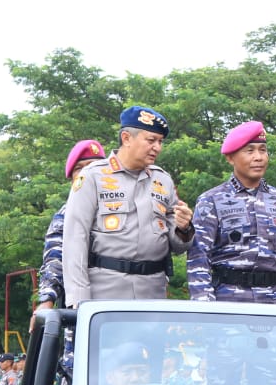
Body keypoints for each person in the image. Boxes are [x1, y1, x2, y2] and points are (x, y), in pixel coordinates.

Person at [61, 106, 194, 304]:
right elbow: (75, 239)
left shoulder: (163, 180)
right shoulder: (93, 177)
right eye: (151, 140)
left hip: (153, 291)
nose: (157, 147)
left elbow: (178, 246)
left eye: (160, 142)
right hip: (106, 291)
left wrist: (184, 228)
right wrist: (79, 300)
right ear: (126, 138)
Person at [187, 121, 276, 302]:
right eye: (250, 151)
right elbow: (199, 256)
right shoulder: (212, 199)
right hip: (229, 301)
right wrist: (204, 306)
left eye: (262, 150)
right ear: (231, 158)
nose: (258, 157)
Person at [37, 140, 106, 319]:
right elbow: (55, 259)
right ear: (72, 178)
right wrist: (47, 299)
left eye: (93, 167)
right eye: (80, 168)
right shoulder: (66, 214)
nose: (87, 173)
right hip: (85, 307)